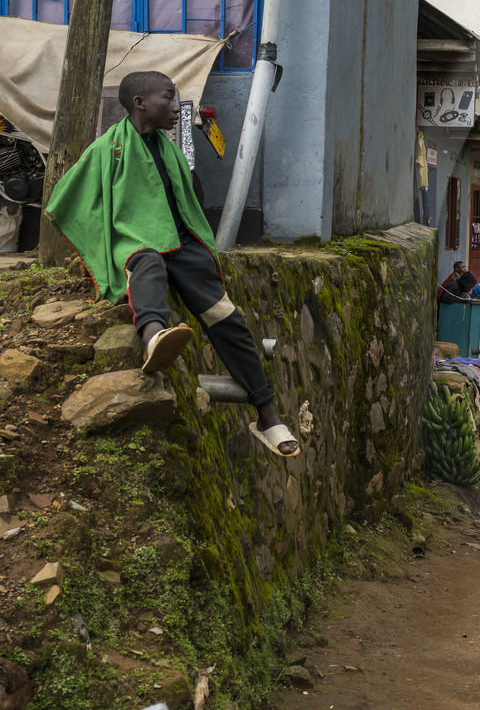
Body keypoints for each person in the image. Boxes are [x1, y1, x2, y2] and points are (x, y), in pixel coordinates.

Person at [44, 71, 299, 457]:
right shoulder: (107, 148)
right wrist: (97, 242)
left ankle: (267, 414)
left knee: (225, 315)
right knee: (147, 267)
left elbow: (185, 206)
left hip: (180, 244)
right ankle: (153, 339)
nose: (178, 106)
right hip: (137, 242)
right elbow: (67, 197)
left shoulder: (170, 151)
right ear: (140, 103)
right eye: (169, 97)